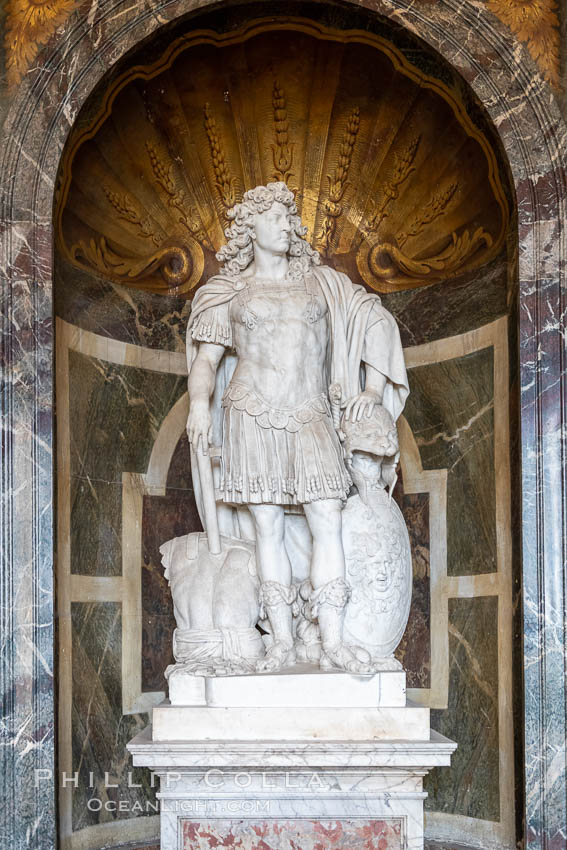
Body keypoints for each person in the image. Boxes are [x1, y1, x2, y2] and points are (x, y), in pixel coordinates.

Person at [186, 182, 408, 673]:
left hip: (311, 414)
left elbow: (373, 320)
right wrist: (200, 404)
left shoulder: (320, 285)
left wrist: (371, 390)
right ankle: (282, 643)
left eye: (290, 217)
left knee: (326, 516)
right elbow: (206, 359)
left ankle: (332, 641)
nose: (288, 224)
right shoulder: (229, 292)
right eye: (277, 217)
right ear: (251, 228)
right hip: (251, 413)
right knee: (267, 527)